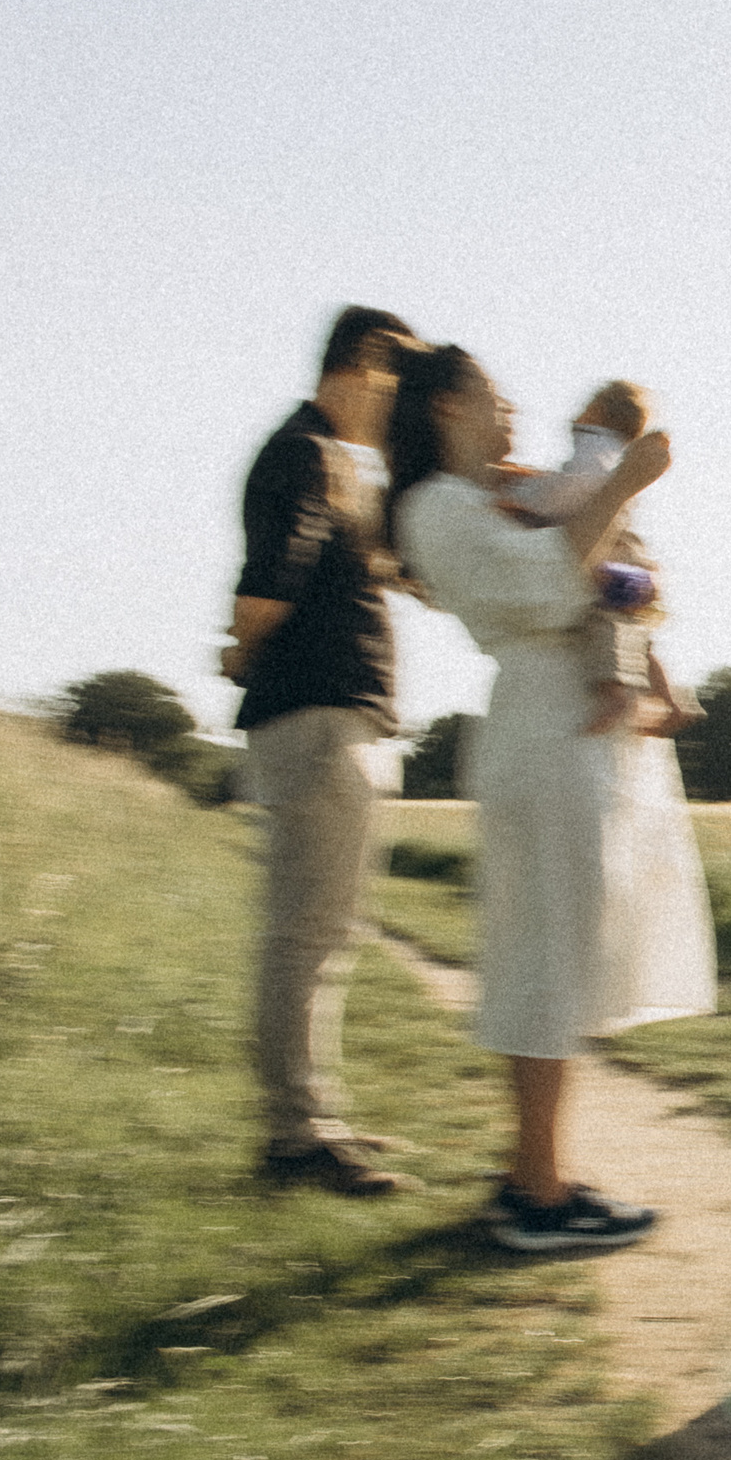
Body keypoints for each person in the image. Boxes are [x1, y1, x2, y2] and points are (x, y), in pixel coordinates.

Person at [386, 344, 716, 1251]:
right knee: (545, 959)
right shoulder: (435, 506)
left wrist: (642, 613)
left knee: (562, 954)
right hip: (544, 728)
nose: (512, 412)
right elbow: (544, 589)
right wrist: (628, 484)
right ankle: (537, 1194)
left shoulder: (511, 491)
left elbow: (619, 581)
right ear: (448, 405)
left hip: (578, 729)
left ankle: (538, 1171)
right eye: (494, 396)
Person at [225, 305, 424, 1196]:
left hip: (330, 717)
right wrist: (243, 643)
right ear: (363, 367)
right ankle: (295, 1136)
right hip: (317, 717)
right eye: (397, 386)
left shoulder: (335, 460)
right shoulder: (307, 455)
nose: (400, 410)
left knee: (326, 931)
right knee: (307, 932)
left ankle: (312, 1117)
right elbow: (270, 580)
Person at [501, 380, 701, 739]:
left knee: (601, 621)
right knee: (636, 633)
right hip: (635, 561)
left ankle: (616, 694)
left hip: (613, 561)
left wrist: (524, 499)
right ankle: (672, 700)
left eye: (586, 403)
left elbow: (575, 484)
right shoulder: (613, 450)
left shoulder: (594, 445)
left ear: (599, 411)